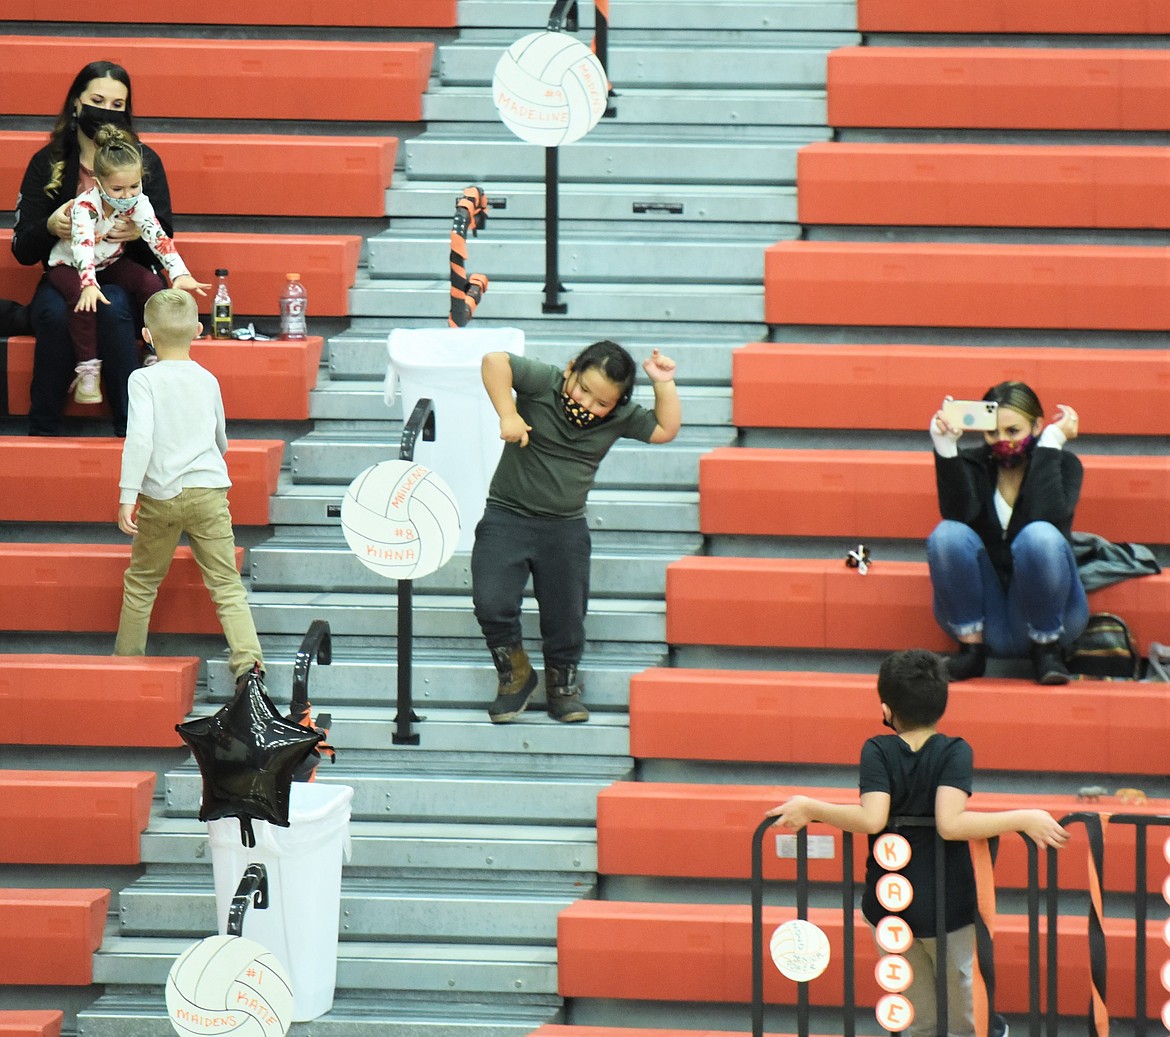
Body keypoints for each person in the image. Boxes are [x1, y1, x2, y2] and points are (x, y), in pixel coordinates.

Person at [768, 649, 1069, 1037]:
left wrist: (812, 807)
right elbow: (951, 823)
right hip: (951, 908)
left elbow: (872, 818)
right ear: (941, 705)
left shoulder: (877, 749)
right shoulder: (955, 750)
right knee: (967, 1017)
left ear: (886, 709)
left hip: (892, 909)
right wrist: (1024, 818)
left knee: (918, 1021)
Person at [472, 341, 682, 724]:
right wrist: (508, 414)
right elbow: (494, 361)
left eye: (601, 402)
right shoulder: (545, 383)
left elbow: (666, 429)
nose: (587, 403)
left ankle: (562, 687)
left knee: (566, 615)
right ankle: (515, 675)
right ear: (571, 369)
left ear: (616, 404)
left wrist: (663, 383)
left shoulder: (619, 417)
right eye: (583, 389)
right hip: (506, 517)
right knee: (491, 602)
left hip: (564, 529)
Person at [11, 60, 176, 436]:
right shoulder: (48, 161)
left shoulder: (144, 162)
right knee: (53, 314)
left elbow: (164, 234)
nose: (107, 111)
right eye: (98, 100)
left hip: (122, 273)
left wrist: (136, 233)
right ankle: (43, 428)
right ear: (76, 103)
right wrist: (50, 225)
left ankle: (132, 427)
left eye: (118, 105)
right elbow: (21, 247)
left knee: (114, 305)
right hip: (65, 274)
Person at [114, 288, 263, 689]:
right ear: (199, 330)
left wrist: (129, 493)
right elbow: (222, 439)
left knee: (142, 582)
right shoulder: (207, 378)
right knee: (227, 586)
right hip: (209, 492)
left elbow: (140, 440)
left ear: (146, 335)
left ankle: (126, 668)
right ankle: (250, 670)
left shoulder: (142, 379)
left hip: (160, 496)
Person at [927, 381, 1088, 685]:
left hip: (1055, 617)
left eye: (1013, 431)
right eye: (992, 433)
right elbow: (958, 518)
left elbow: (1048, 517)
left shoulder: (1063, 464)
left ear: (1038, 425)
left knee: (1039, 535)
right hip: (989, 618)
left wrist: (1050, 444)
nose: (1002, 441)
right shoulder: (973, 464)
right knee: (947, 534)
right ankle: (971, 650)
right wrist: (946, 449)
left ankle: (1046, 651)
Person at [47, 124, 209, 405]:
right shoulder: (85, 207)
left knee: (151, 283)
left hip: (109, 261)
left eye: (134, 186)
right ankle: (88, 367)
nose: (126, 195)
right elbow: (82, 247)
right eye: (117, 189)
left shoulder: (138, 202)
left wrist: (179, 273)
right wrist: (88, 284)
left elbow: (158, 237)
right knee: (81, 298)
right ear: (99, 184)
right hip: (69, 264)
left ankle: (154, 351)